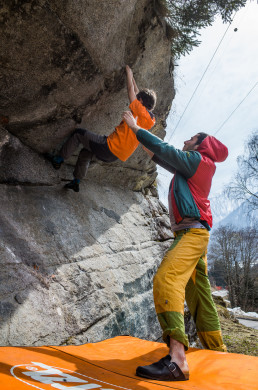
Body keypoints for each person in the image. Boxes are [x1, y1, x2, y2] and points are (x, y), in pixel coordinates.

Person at [123, 111, 228, 382]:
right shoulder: (193, 166)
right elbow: (159, 153)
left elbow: (165, 149)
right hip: (195, 234)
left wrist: (135, 127)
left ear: (200, 145)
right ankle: (220, 353)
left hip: (192, 235)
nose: (186, 139)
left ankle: (177, 360)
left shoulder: (198, 161)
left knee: (166, 279)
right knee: (199, 296)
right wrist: (138, 135)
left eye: (191, 138)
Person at [45, 66, 156, 192]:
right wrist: (133, 79)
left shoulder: (140, 111)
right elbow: (137, 93)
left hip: (109, 146)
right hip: (114, 156)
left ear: (140, 101)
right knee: (86, 153)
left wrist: (128, 73)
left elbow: (131, 91)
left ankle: (58, 160)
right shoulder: (148, 119)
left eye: (138, 99)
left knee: (78, 134)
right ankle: (76, 182)